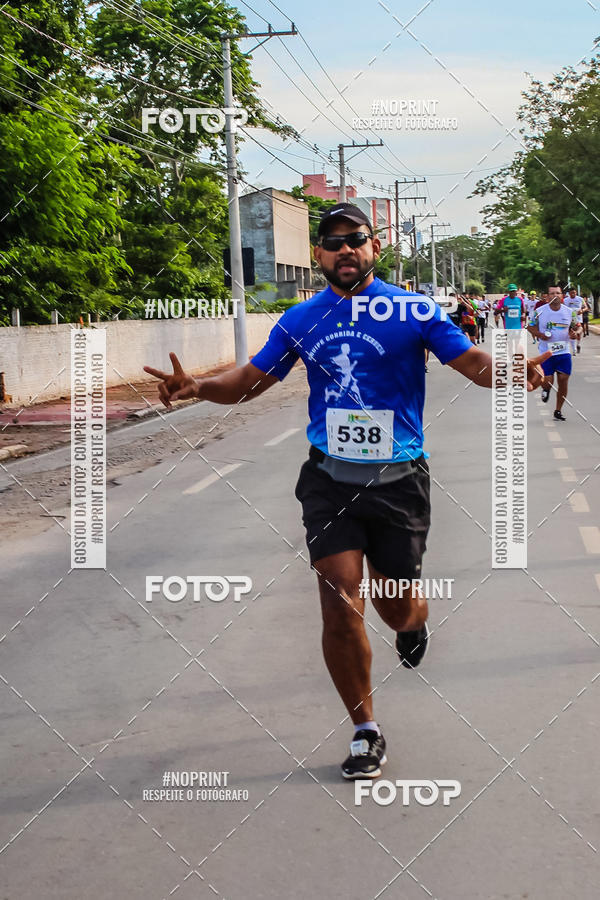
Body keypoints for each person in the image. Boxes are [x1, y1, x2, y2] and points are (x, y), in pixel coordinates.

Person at [144, 202, 549, 780]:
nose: (344, 250)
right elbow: (252, 380)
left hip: (399, 482)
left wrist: (514, 372)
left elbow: (474, 363)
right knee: (338, 597)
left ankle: (411, 623)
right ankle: (366, 730)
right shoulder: (300, 319)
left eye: (355, 239)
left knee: (396, 605)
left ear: (373, 248)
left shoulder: (412, 310)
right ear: (318, 255)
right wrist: (201, 386)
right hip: (330, 479)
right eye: (332, 242)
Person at [528, 285, 578, 421]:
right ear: (547, 296)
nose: (555, 295)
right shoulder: (539, 311)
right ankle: (546, 389)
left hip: (564, 352)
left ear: (562, 295)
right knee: (548, 382)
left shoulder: (569, 312)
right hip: (546, 352)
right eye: (552, 293)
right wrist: (540, 334)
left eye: (558, 293)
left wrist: (575, 334)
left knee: (563, 380)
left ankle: (558, 410)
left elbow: (577, 328)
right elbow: (530, 326)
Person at [563, 287, 584, 354]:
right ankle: (574, 348)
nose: (573, 294)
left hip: (579, 318)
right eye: (572, 293)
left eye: (574, 293)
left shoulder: (580, 299)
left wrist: (582, 310)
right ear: (569, 293)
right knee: (572, 332)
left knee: (579, 333)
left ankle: (578, 344)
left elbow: (586, 307)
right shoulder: (565, 300)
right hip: (569, 319)